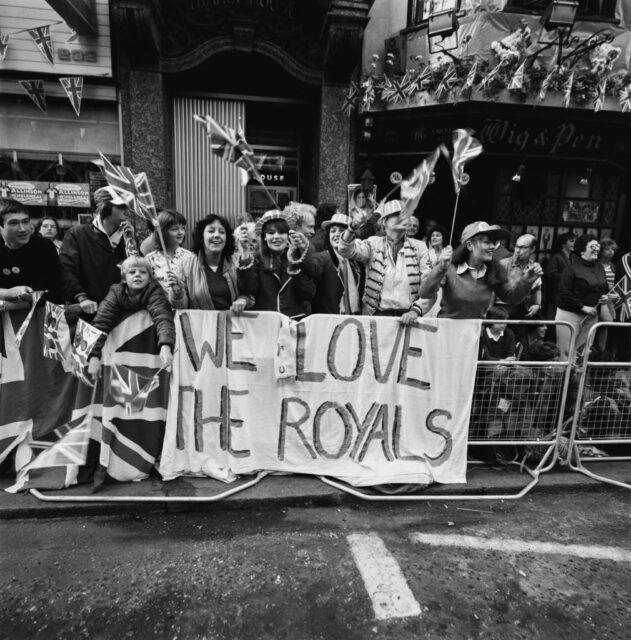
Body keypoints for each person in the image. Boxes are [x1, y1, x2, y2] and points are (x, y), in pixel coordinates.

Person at [419, 221, 543, 319]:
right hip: (447, 334)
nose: (493, 247)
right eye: (487, 242)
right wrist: (440, 268)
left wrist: (527, 281)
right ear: (469, 245)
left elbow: (511, 298)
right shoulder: (449, 267)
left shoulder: (494, 270)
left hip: (475, 337)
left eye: (493, 243)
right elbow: (425, 293)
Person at [338, 199, 431, 322]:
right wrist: (352, 228)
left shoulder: (420, 247)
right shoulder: (373, 243)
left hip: (409, 318)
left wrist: (415, 311)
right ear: (384, 222)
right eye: (397, 216)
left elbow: (430, 287)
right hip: (376, 317)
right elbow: (345, 250)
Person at [87, 256, 175, 382]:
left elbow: (163, 318)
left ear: (150, 278)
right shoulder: (116, 292)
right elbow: (101, 321)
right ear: (124, 277)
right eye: (132, 272)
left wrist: (166, 345)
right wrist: (93, 355)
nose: (137, 275)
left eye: (143, 272)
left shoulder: (155, 291)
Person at [59, 186, 133, 315]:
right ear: (105, 207)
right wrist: (81, 297)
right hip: (88, 310)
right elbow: (66, 270)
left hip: (121, 311)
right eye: (121, 207)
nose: (126, 212)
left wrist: (131, 242)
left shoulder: (128, 237)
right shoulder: (78, 234)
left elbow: (139, 269)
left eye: (128, 207)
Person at [238, 209, 315, 320]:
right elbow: (248, 288)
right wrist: (244, 252)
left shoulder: (299, 257)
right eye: (271, 233)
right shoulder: (256, 260)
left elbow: (308, 293)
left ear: (288, 235)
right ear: (264, 237)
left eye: (281, 232)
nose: (276, 237)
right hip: (265, 324)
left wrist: (296, 260)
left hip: (294, 325)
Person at [168, 214, 251, 312]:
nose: (216, 235)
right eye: (211, 231)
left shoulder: (237, 261)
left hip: (233, 325)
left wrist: (243, 300)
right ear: (201, 236)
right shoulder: (186, 264)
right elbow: (181, 308)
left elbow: (250, 292)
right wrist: (178, 293)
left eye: (221, 232)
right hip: (201, 326)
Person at [555, 234, 613, 361]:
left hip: (591, 316)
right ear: (582, 250)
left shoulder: (599, 267)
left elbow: (601, 287)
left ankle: (577, 380)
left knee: (583, 352)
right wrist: (582, 307)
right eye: (592, 246)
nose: (597, 249)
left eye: (598, 246)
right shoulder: (571, 269)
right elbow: (564, 292)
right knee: (565, 352)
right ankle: (563, 379)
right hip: (569, 314)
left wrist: (603, 297)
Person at [0, 197, 63, 307]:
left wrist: (32, 296)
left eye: (25, 222)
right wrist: (8, 293)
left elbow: (56, 290)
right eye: (14, 223)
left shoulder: (44, 247)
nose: (23, 229)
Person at [302, 212, 364, 315]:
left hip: (355, 320)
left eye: (342, 231)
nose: (336, 234)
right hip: (330, 321)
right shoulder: (322, 258)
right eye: (332, 231)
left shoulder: (357, 262)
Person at [145, 210, 192, 296]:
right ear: (162, 231)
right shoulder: (149, 259)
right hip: (158, 306)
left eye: (183, 228)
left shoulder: (191, 257)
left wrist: (181, 286)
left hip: (185, 307)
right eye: (175, 229)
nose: (181, 232)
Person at [544, 231, 576, 321]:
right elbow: (550, 274)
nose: (574, 243)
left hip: (568, 295)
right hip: (556, 294)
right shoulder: (556, 257)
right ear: (563, 243)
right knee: (554, 319)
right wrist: (568, 276)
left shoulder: (574, 257)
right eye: (571, 241)